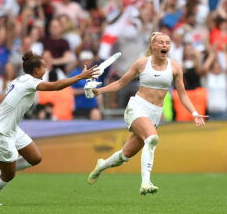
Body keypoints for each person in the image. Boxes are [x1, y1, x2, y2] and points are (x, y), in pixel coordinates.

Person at [86, 32, 208, 195]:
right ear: (153, 46)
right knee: (152, 139)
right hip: (137, 107)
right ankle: (145, 183)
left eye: (168, 43)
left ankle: (101, 165)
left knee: (125, 156)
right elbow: (121, 82)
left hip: (155, 114)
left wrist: (194, 113)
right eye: (161, 42)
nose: (165, 45)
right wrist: (98, 91)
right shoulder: (142, 64)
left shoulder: (175, 67)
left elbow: (182, 94)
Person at [0, 51, 98, 205]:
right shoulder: (29, 82)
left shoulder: (21, 80)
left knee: (34, 158)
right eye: (43, 67)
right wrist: (80, 76)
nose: (46, 70)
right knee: (9, 175)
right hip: (0, 132)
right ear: (36, 70)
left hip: (12, 129)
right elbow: (56, 86)